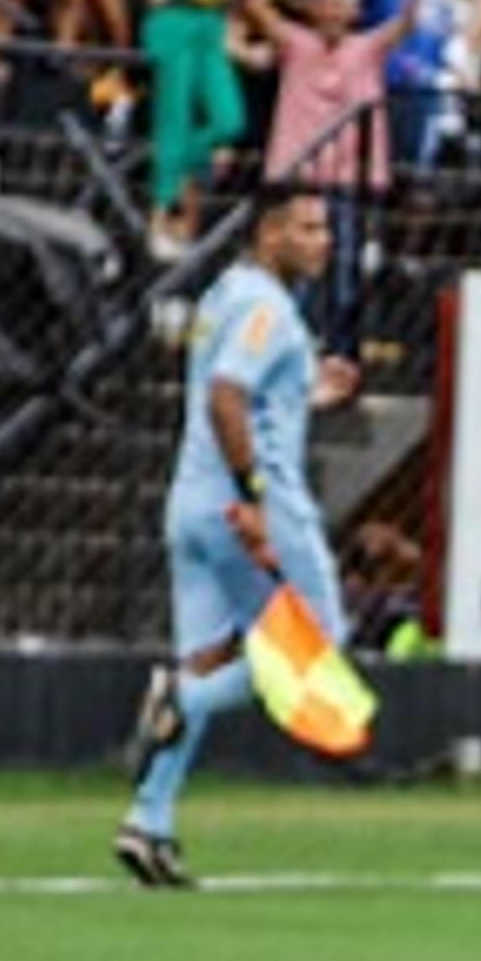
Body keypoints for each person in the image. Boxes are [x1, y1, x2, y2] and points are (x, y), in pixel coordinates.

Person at [115, 188, 360, 888]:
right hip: (250, 504)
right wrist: (256, 501)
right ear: (270, 232)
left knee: (211, 656)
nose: (324, 243)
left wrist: (309, 393)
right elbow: (228, 395)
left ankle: (148, 822)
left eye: (325, 229)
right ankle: (180, 701)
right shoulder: (268, 309)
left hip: (189, 502)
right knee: (317, 646)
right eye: (308, 228)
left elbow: (244, 393)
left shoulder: (226, 292)